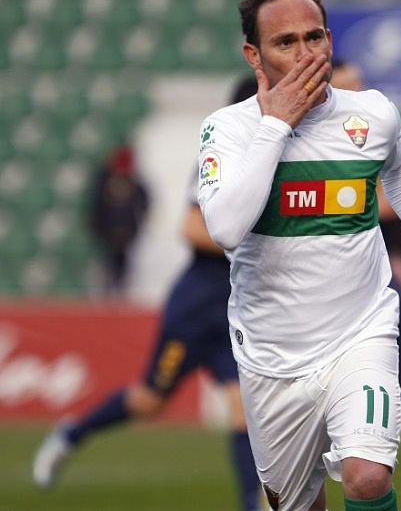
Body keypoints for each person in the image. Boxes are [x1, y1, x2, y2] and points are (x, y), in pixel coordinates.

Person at [197, 0, 401, 511]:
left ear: (330, 40)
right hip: (272, 357)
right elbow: (225, 228)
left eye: (314, 37)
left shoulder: (372, 113)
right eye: (286, 42)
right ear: (254, 55)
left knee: (367, 477)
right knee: (297, 504)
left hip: (361, 331)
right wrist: (276, 125)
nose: (305, 54)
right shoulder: (226, 130)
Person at [32, 80, 262, 511]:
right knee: (149, 400)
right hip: (199, 303)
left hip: (240, 307)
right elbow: (192, 229)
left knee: (242, 408)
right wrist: (260, 242)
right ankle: (71, 434)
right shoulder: (222, 157)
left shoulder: (277, 160)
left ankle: (253, 504)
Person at [333, 58, 401, 511]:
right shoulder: (323, 147)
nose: (361, 92)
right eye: (349, 86)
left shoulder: (375, 136)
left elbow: (400, 192)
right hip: (336, 292)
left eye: (362, 83)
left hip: (387, 287)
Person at [88, 144, 149, 295]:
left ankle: (120, 289)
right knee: (109, 262)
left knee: (123, 263)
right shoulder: (104, 179)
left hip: (126, 231)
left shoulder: (134, 181)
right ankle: (108, 289)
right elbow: (96, 204)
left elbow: (145, 200)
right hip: (108, 231)